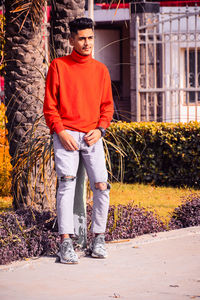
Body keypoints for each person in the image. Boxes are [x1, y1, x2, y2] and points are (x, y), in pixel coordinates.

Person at [43, 17, 114, 264]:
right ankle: (65, 243)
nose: (86, 43)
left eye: (90, 38)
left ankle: (98, 239)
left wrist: (101, 129)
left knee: (102, 186)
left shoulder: (100, 70)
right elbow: (50, 106)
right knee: (66, 185)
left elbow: (107, 107)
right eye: (81, 38)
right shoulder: (58, 66)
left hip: (93, 135)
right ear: (71, 39)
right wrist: (61, 132)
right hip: (67, 135)